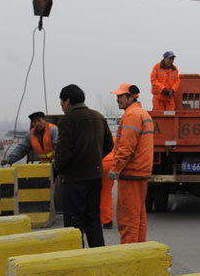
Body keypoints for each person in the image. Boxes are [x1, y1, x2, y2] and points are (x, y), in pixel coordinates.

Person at [52, 84, 114, 248]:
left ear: (68, 101)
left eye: (62, 102)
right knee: (93, 219)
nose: (62, 105)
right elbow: (109, 145)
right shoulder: (98, 117)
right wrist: (93, 159)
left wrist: (56, 170)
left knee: (74, 223)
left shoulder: (68, 120)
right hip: (95, 177)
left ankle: (76, 258)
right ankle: (98, 255)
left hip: (73, 180)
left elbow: (63, 153)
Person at [107, 83, 154, 243]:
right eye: (117, 96)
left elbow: (126, 147)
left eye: (121, 96)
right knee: (138, 216)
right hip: (140, 173)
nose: (117, 99)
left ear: (131, 97)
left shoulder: (132, 115)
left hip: (131, 173)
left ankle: (129, 253)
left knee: (128, 218)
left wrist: (115, 169)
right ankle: (140, 251)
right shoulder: (142, 114)